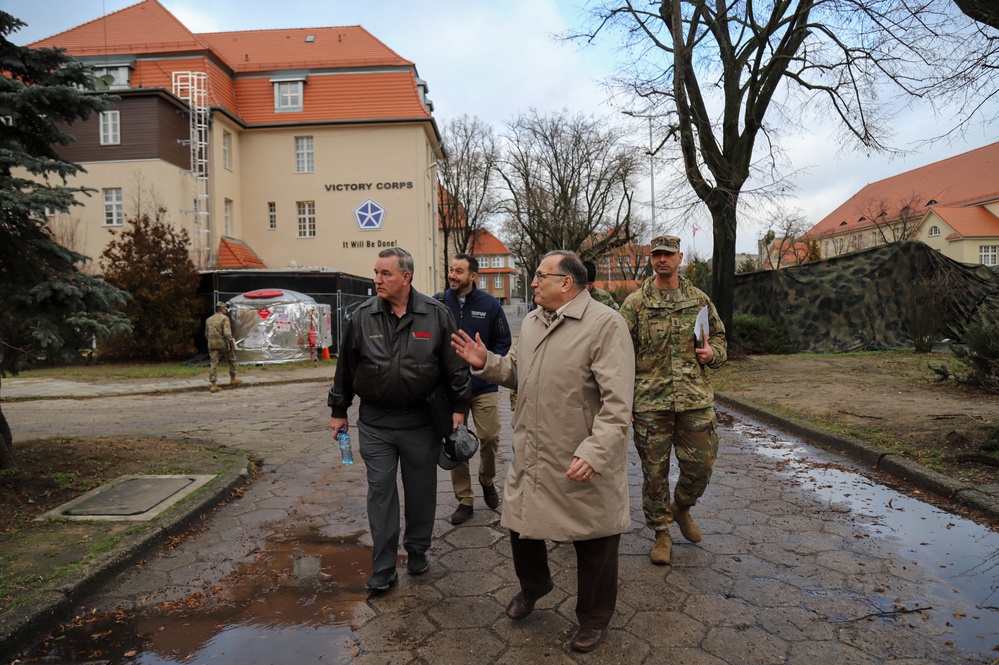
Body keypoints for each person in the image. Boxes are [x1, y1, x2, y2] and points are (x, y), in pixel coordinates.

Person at [451, 250, 634, 653]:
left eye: (540, 276)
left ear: (566, 282)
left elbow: (618, 402)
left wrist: (595, 451)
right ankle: (535, 586)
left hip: (579, 454)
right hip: (534, 450)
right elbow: (517, 369)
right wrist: (487, 363)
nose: (532, 282)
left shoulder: (606, 325)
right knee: (519, 522)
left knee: (595, 541)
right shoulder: (533, 322)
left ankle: (594, 619)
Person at [328, 247, 471, 593]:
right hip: (376, 423)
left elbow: (455, 367)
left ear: (406, 278)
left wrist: (459, 408)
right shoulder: (361, 316)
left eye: (385, 274)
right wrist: (338, 410)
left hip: (421, 423)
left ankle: (418, 549)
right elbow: (345, 368)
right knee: (380, 492)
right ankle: (384, 567)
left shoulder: (436, 315)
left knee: (421, 491)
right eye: (376, 272)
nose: (377, 279)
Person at [619, 235, 727, 566]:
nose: (662, 259)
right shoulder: (636, 303)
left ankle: (681, 508)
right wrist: (624, 404)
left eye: (668, 254)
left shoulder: (699, 299)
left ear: (680, 257)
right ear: (651, 259)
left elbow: (720, 337)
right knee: (655, 474)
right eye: (656, 255)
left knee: (701, 466)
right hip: (650, 403)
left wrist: (713, 354)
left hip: (694, 399)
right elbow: (619, 354)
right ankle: (662, 533)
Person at [435, 253, 511, 525]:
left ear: (473, 276)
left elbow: (503, 342)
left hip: (483, 386)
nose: (452, 275)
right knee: (456, 443)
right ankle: (464, 500)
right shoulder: (438, 303)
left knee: (490, 437)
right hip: (450, 391)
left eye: (458, 271)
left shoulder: (490, 305)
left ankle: (487, 480)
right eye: (451, 270)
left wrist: (486, 368)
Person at [205, 301, 240, 392]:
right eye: (225, 309)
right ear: (222, 309)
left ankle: (213, 384)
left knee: (213, 364)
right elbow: (227, 333)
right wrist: (232, 343)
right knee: (232, 359)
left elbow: (206, 333)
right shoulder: (224, 318)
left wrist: (211, 341)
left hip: (212, 344)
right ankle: (233, 378)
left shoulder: (209, 319)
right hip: (223, 344)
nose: (226, 311)